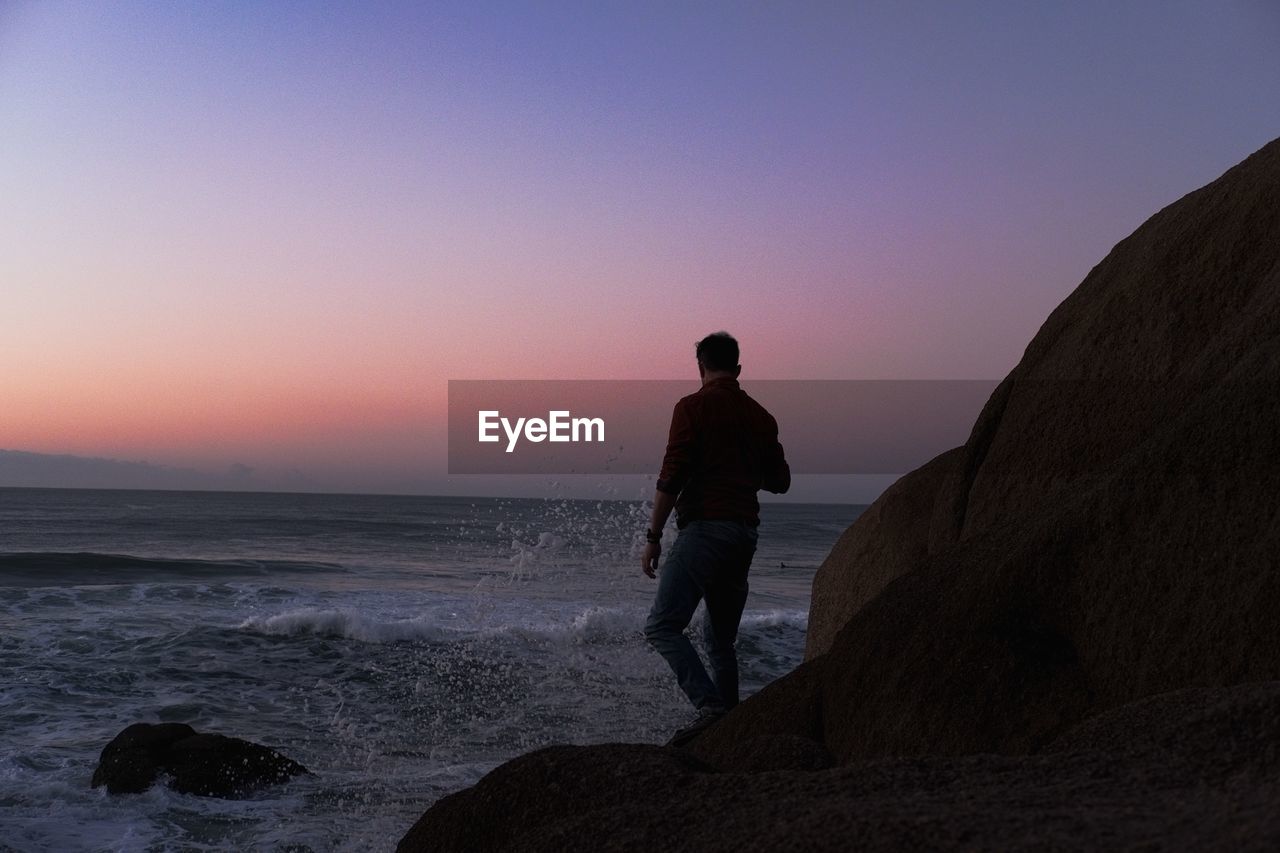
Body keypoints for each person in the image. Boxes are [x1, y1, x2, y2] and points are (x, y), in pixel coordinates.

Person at [641, 331, 790, 746]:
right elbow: (782, 482)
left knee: (661, 626)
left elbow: (673, 475)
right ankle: (729, 733)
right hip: (745, 534)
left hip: (706, 528)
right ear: (738, 369)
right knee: (720, 639)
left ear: (700, 368)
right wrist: (742, 470)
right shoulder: (762, 417)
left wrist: (653, 536)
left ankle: (710, 708)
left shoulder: (692, 407)